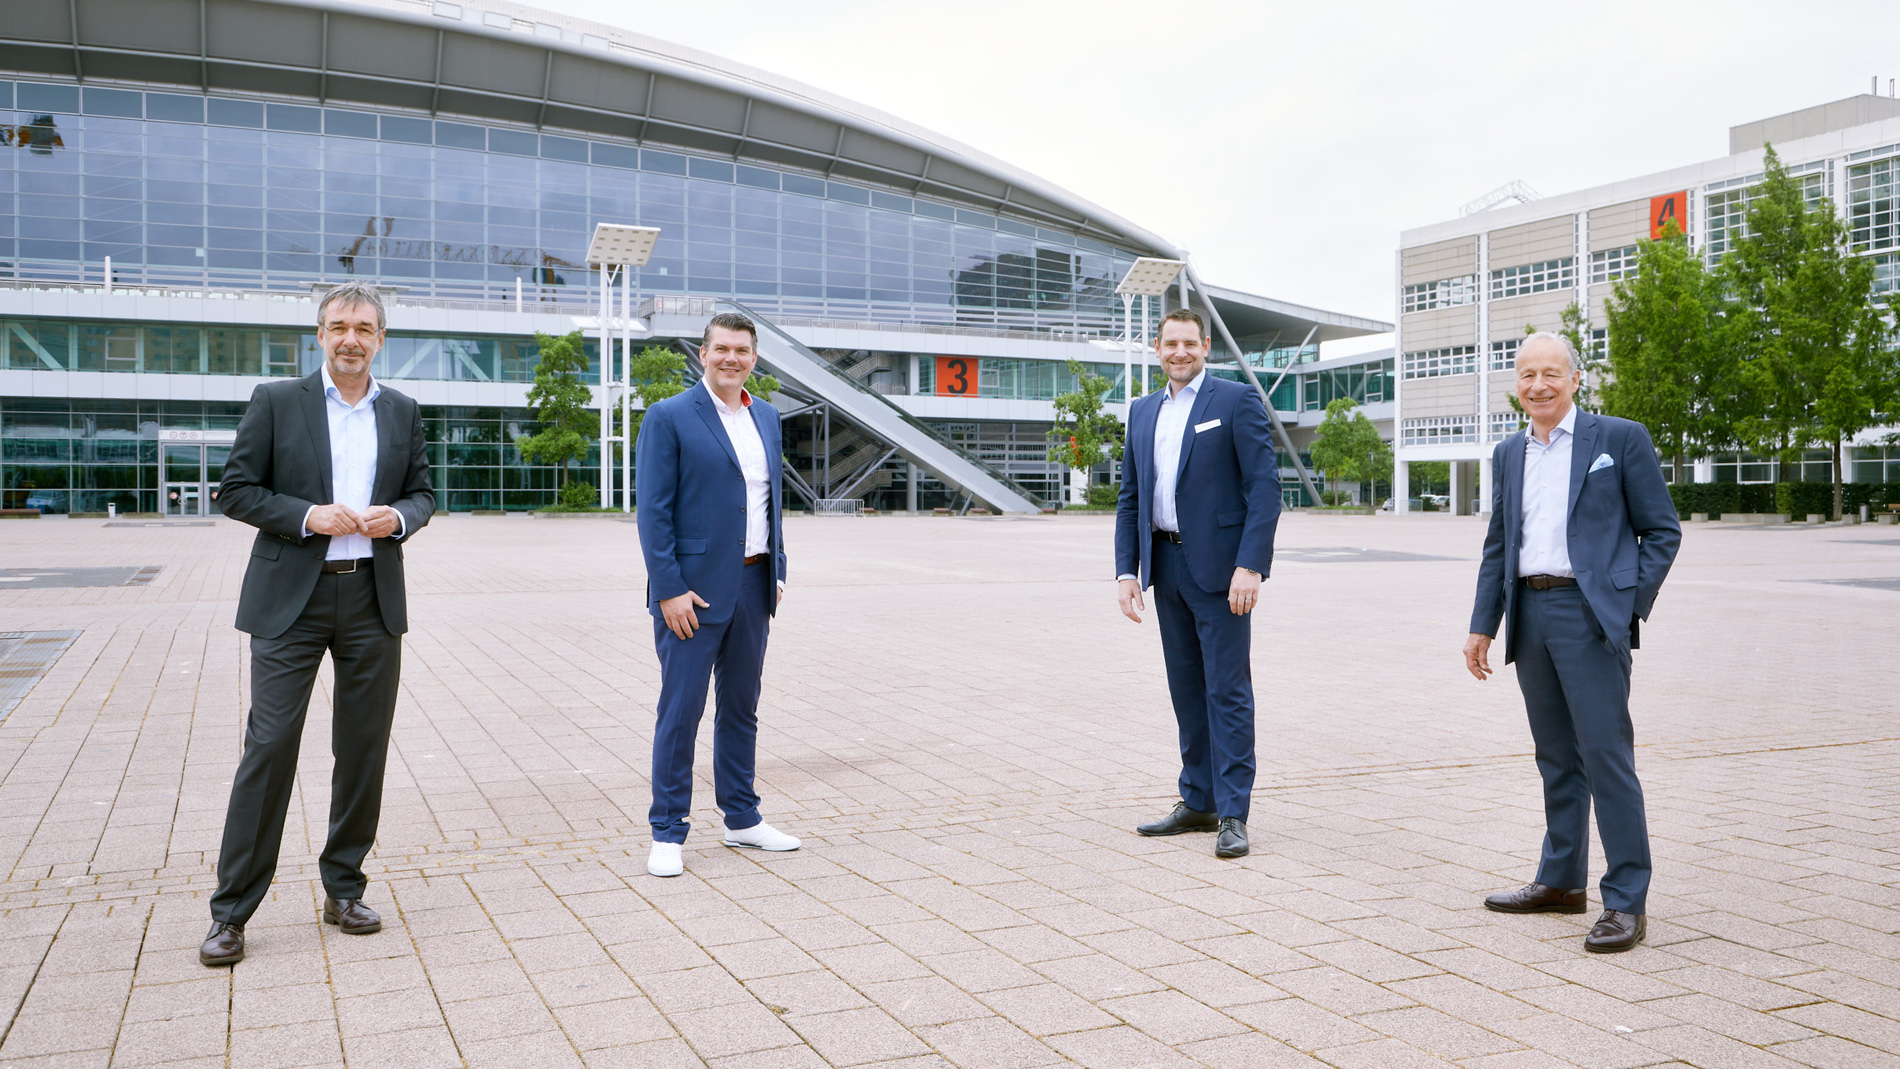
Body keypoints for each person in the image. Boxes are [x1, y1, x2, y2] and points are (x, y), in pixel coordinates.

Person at [201, 281, 434, 967]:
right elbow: (237, 489)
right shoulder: (277, 402)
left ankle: (344, 887)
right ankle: (232, 910)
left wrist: (401, 518)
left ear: (381, 337)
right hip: (290, 601)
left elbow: (423, 492)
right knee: (269, 745)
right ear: (320, 334)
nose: (351, 338)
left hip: (371, 599)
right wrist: (309, 515)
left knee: (362, 750)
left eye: (364, 327)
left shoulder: (403, 410)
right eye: (339, 326)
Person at [1464, 331, 1680, 954]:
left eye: (1551, 373)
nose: (1539, 385)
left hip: (1591, 617)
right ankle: (1561, 881)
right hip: (1530, 613)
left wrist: (1621, 604)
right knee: (1556, 757)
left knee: (1606, 757)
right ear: (1517, 383)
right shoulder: (1509, 452)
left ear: (1575, 379)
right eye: (1527, 374)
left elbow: (1661, 532)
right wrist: (1485, 624)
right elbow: (1499, 544)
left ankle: (1626, 900)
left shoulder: (1619, 439)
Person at [1114, 308, 1281, 859]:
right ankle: (1198, 799)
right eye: (1170, 344)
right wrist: (1126, 570)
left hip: (1223, 573)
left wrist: (1251, 565)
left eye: (1189, 342)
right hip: (1166, 566)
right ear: (1156, 348)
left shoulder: (1234, 401)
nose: (1180, 352)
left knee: (1227, 692)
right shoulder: (1141, 411)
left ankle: (1233, 812)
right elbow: (1130, 499)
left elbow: (1264, 488)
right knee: (1186, 689)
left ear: (1205, 345)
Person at [635, 311, 795, 878]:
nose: (732, 358)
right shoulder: (670, 416)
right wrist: (669, 590)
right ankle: (667, 830)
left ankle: (742, 819)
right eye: (722, 348)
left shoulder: (769, 418)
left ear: (754, 358)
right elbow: (652, 511)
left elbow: (771, 500)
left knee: (741, 708)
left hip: (754, 587)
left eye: (743, 350)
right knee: (681, 710)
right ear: (703, 354)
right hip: (692, 595)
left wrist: (775, 566)